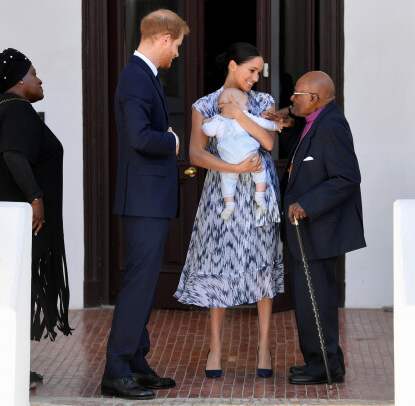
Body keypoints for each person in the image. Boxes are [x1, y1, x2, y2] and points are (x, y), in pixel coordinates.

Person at [174, 42, 284, 379]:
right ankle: (216, 348)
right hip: (222, 193)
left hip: (259, 194)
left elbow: (268, 143)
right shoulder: (204, 105)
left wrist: (238, 116)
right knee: (219, 263)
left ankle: (264, 347)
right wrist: (235, 170)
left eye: (259, 72)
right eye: (251, 70)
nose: (255, 77)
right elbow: (195, 154)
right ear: (233, 65)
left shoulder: (264, 102)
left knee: (262, 262)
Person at [0, 48, 73, 390]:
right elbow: (13, 154)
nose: (39, 79)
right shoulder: (16, 109)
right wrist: (36, 199)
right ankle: (3, 372)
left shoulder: (5, 109)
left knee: (10, 294)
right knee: (9, 294)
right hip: (12, 222)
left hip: (4, 223)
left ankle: (9, 366)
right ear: (19, 80)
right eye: (34, 73)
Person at [101, 9, 189, 401]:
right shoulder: (137, 76)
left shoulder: (145, 76)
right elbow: (138, 137)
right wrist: (171, 141)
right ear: (165, 38)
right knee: (138, 285)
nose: (177, 56)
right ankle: (116, 371)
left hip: (148, 198)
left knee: (144, 284)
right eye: (178, 47)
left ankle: (135, 362)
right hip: (143, 200)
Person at [281, 71, 366, 385]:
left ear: (313, 99)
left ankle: (326, 368)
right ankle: (320, 362)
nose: (292, 99)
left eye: (296, 94)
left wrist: (308, 203)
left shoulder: (331, 125)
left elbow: (346, 177)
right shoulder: (314, 121)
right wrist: (289, 125)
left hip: (319, 228)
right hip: (308, 232)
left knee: (316, 300)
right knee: (308, 299)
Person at [202, 88, 284, 219]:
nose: (248, 108)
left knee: (227, 181)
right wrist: (275, 126)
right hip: (248, 155)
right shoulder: (242, 117)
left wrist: (206, 123)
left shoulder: (217, 120)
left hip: (230, 159)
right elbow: (263, 123)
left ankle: (229, 205)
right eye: (245, 104)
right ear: (233, 103)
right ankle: (259, 196)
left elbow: (208, 131)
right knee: (260, 171)